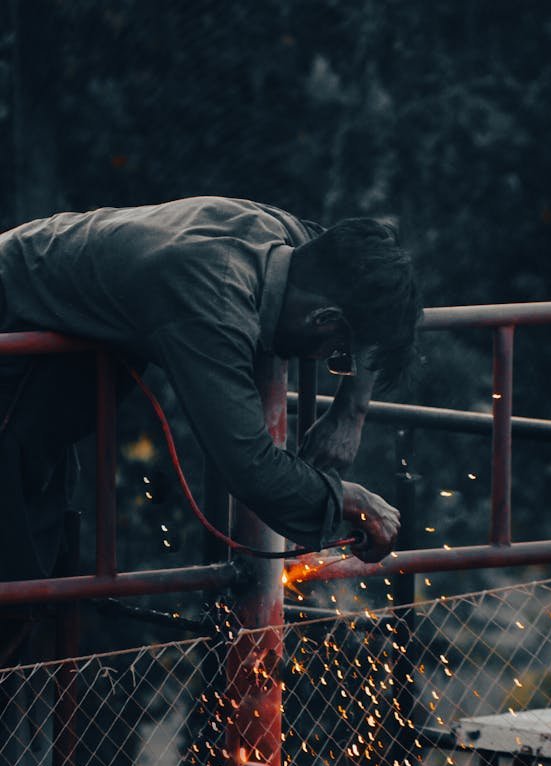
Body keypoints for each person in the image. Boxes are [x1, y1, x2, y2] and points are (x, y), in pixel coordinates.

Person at [0, 196, 420, 586]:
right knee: (14, 555)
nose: (333, 365)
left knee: (38, 534)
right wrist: (354, 502)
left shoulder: (283, 236)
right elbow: (251, 468)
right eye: (335, 356)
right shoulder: (212, 303)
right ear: (323, 319)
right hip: (13, 334)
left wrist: (350, 412)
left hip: (44, 339)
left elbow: (373, 276)